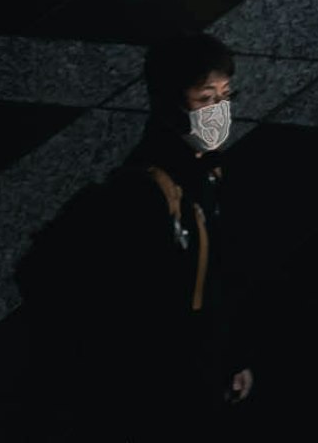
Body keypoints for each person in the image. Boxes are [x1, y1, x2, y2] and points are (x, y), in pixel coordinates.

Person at [15, 31, 252, 395]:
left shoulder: (207, 168)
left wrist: (230, 357)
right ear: (170, 104)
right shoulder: (146, 191)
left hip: (197, 360)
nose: (219, 111)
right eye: (206, 99)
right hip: (164, 373)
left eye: (225, 96)